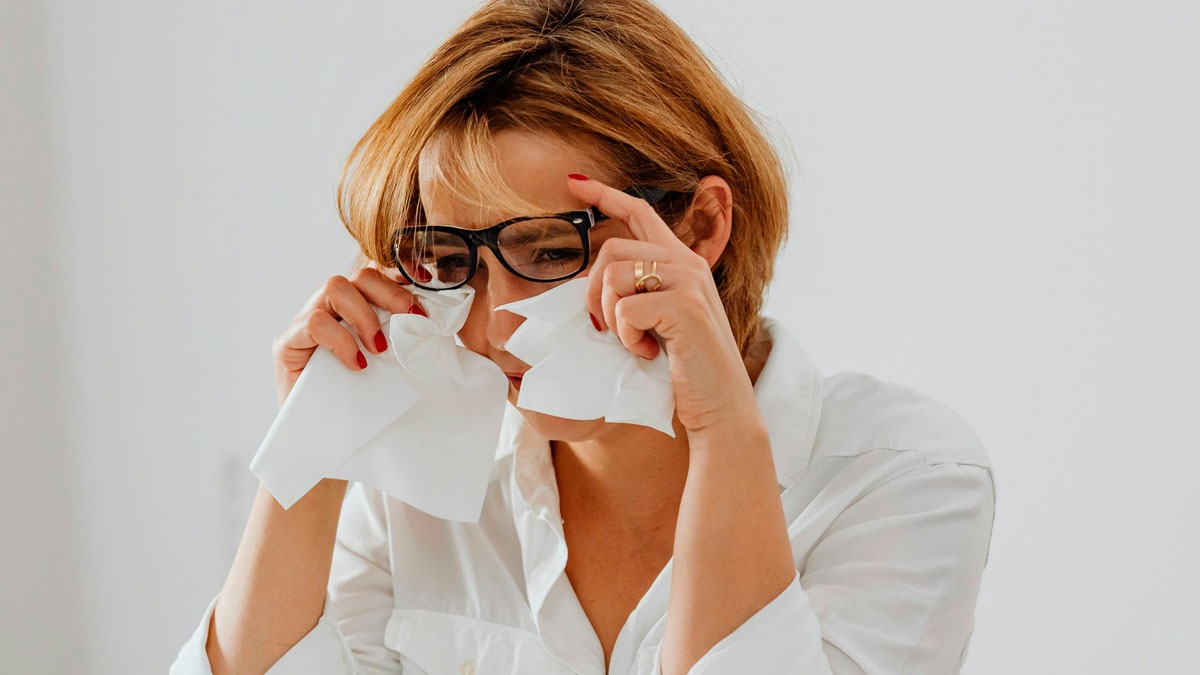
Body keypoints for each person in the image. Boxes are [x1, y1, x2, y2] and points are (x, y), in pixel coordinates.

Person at [171, 0, 996, 673]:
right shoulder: (418, 491)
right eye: (452, 257)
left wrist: (722, 431)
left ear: (702, 225)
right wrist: (309, 460)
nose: (495, 324)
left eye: (546, 251)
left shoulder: (899, 473)